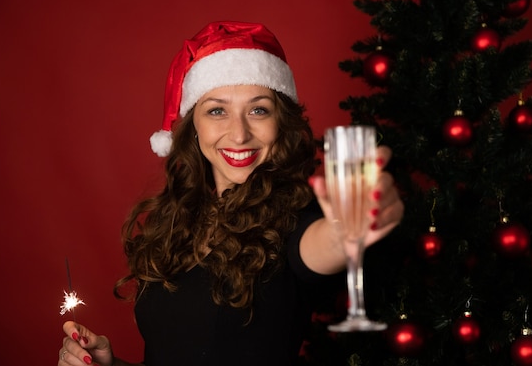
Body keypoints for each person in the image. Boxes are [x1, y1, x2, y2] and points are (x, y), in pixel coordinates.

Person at [58, 21, 404, 366]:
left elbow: (323, 243)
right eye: (217, 110)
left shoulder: (295, 214)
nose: (238, 134)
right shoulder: (175, 219)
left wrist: (349, 224)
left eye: (258, 110)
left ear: (280, 122)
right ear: (193, 125)